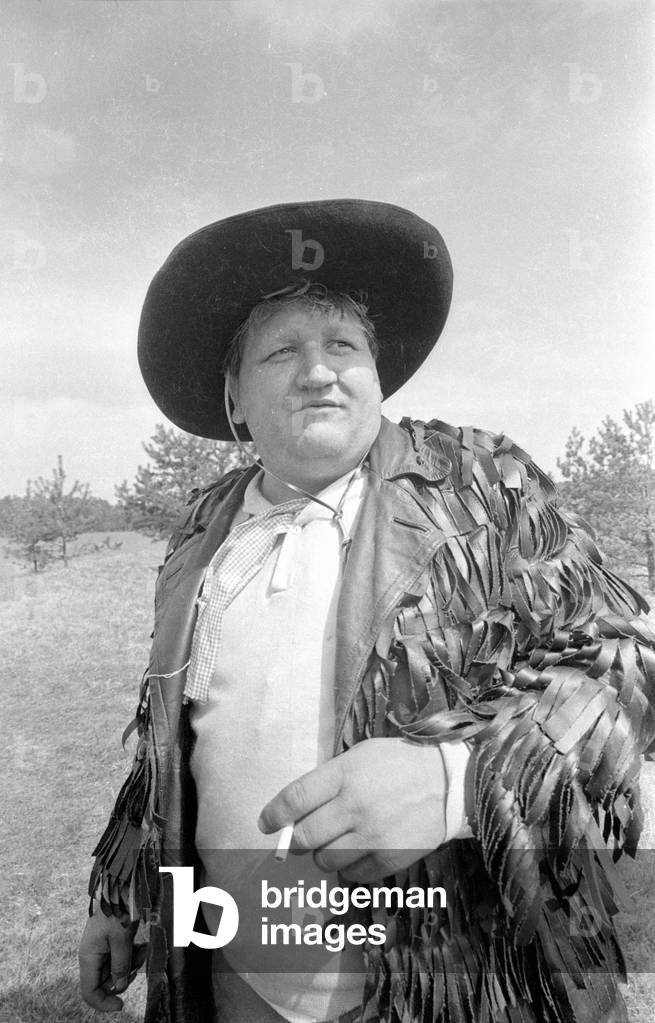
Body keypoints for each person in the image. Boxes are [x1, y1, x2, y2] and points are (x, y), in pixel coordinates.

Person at [79, 199, 655, 1023]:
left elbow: (628, 661)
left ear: (375, 374)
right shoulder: (200, 535)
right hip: (236, 980)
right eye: (282, 351)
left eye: (342, 345)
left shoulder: (481, 483)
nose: (319, 370)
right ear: (234, 399)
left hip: (457, 986)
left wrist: (456, 782)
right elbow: (171, 740)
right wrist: (121, 893)